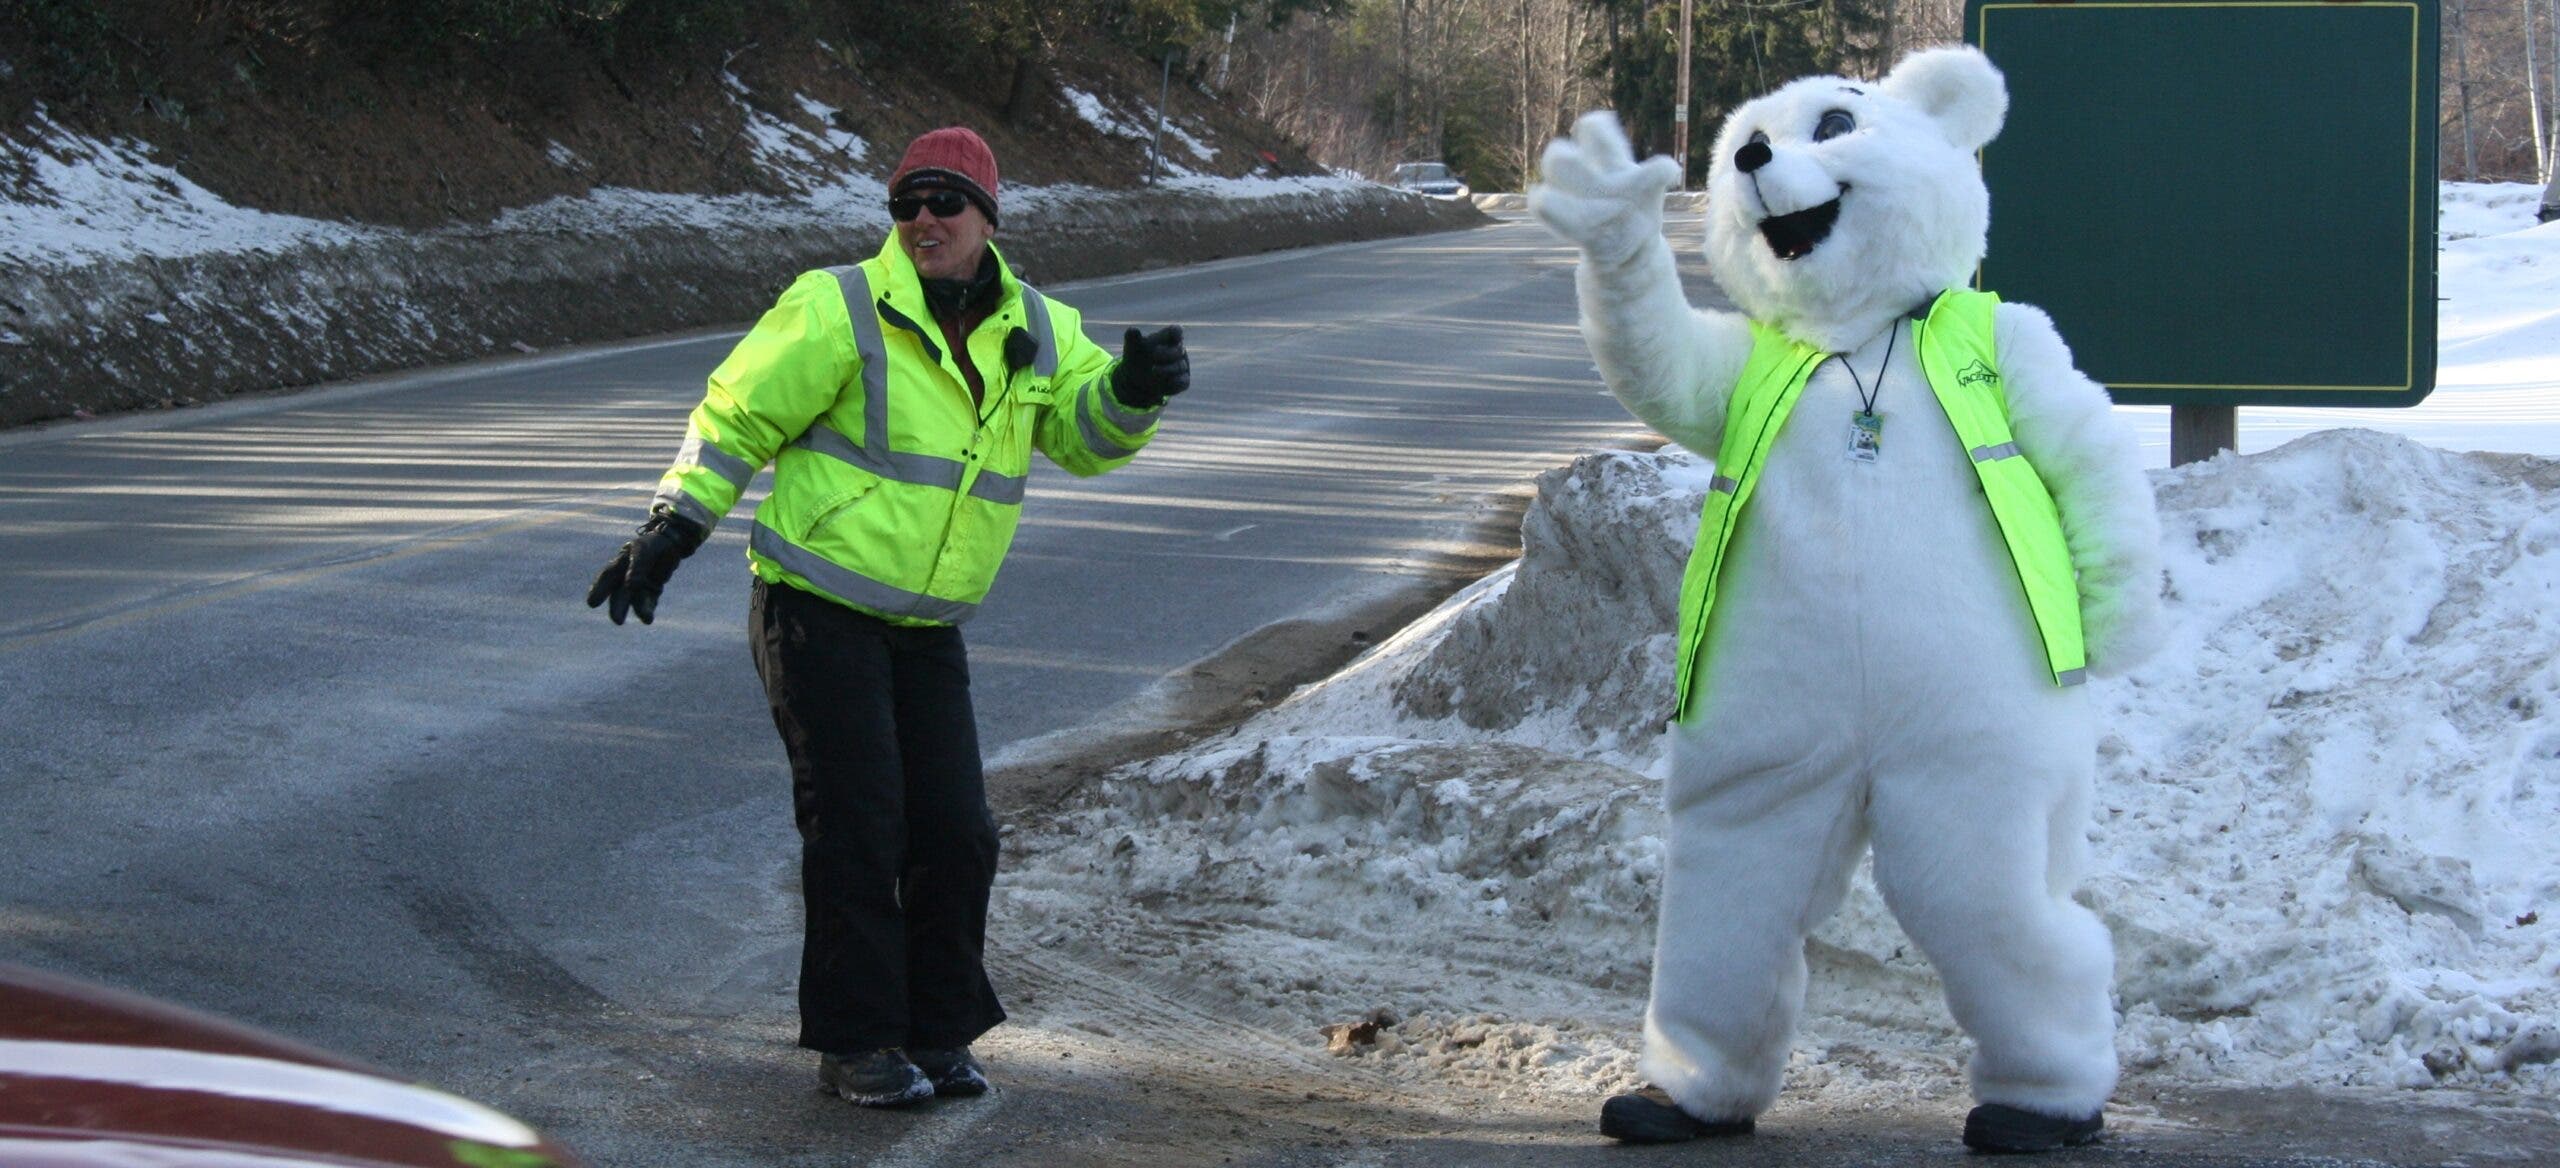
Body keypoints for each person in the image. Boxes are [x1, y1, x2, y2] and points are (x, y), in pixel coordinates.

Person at [586, 126, 1190, 1108]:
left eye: (945, 202)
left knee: (956, 832)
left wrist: (1129, 392)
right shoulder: (838, 306)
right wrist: (672, 527)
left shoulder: (1034, 323)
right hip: (813, 609)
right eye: (905, 203)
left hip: (925, 625)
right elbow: (736, 416)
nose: (922, 221)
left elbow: (1085, 437)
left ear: (987, 218)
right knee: (860, 824)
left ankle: (936, 1030)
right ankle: (859, 1040)